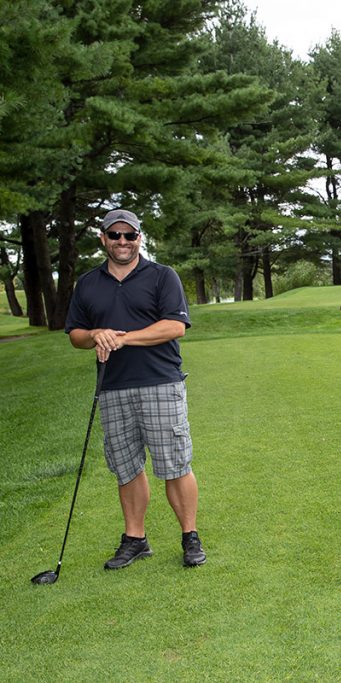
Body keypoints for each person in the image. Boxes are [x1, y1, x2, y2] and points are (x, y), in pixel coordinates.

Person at [65, 208, 206, 570]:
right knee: (125, 468)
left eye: (130, 235)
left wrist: (121, 339)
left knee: (174, 463)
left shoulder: (162, 276)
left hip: (160, 382)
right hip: (112, 386)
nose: (123, 242)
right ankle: (135, 539)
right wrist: (97, 334)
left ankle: (190, 536)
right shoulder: (88, 283)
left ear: (140, 238)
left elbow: (175, 326)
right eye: (115, 235)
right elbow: (76, 335)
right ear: (104, 239)